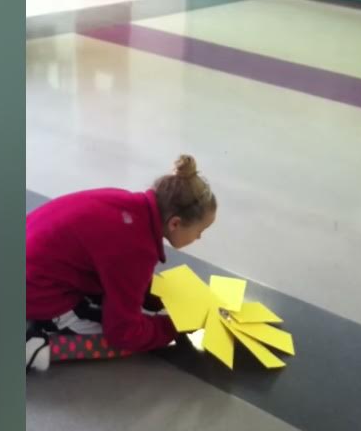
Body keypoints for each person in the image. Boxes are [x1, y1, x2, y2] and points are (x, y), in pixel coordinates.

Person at [25, 155, 217, 372]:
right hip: (34, 291)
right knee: (122, 341)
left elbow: (115, 268)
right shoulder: (137, 247)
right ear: (175, 223)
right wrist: (175, 326)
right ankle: (35, 348)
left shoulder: (127, 204)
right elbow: (123, 332)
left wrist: (157, 296)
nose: (199, 238)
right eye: (200, 231)